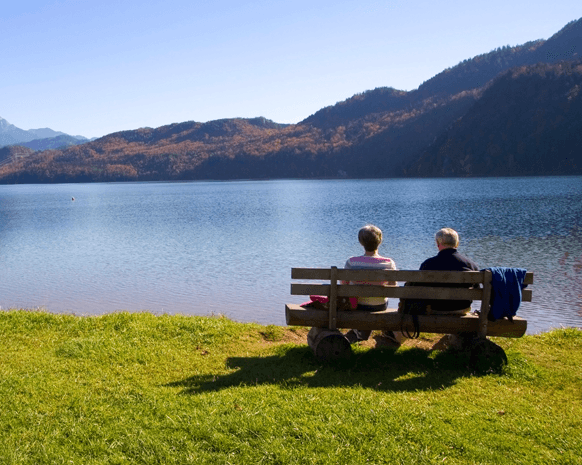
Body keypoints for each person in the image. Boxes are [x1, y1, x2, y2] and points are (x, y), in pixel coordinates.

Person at [343, 225, 401, 345]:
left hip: (357, 306)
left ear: (361, 243)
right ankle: (369, 332)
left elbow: (344, 287)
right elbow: (393, 288)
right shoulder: (389, 263)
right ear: (380, 241)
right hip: (380, 306)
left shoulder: (351, 262)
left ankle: (360, 332)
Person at [418, 227, 480, 314]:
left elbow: (420, 290)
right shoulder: (471, 265)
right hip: (462, 309)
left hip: (435, 309)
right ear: (457, 243)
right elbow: (476, 290)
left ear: (437, 243)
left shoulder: (427, 264)